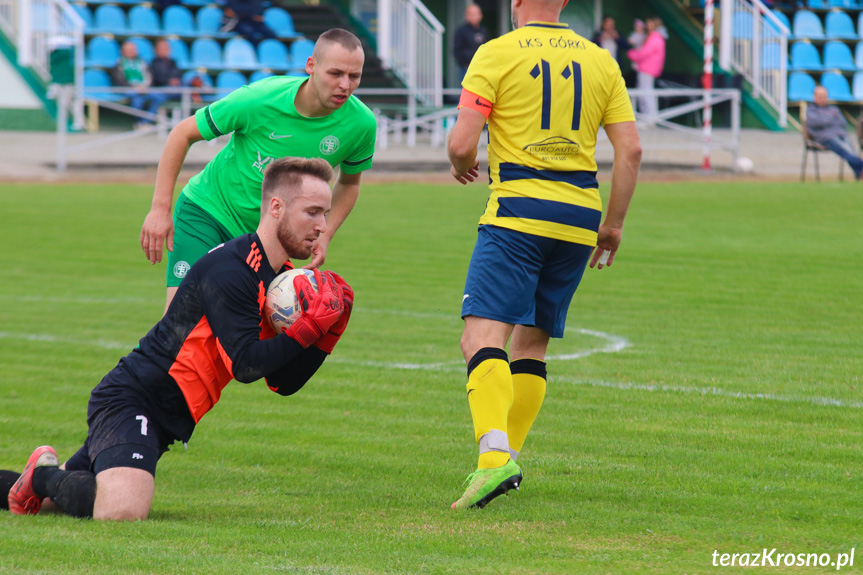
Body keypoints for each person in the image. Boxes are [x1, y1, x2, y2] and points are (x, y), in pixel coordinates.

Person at [2, 157, 354, 521]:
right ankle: (42, 475)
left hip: (167, 414)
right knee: (120, 509)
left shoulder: (281, 277)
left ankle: (36, 483)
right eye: (312, 212)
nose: (322, 226)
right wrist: (307, 329)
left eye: (325, 213)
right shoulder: (233, 270)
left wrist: (328, 335)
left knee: (53, 503)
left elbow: (281, 381)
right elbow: (246, 364)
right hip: (135, 398)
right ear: (277, 207)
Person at [446, 0, 642, 510]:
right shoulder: (601, 59)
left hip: (519, 210)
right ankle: (506, 457)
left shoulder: (496, 52)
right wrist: (613, 226)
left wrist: (462, 162)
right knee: (531, 345)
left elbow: (461, 141)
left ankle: (493, 462)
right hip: (580, 217)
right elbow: (632, 150)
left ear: (515, 5)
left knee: (479, 337)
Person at [140, 28, 376, 313]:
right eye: (335, 73)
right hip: (207, 214)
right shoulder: (260, 99)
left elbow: (350, 184)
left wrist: (324, 235)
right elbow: (182, 133)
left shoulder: (361, 124)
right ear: (311, 66)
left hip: (268, 240)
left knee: (250, 340)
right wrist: (159, 208)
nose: (345, 85)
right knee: (180, 325)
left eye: (354, 77)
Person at [806, 85, 863, 179]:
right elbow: (815, 123)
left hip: (840, 135)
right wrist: (830, 119)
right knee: (843, 147)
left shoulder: (834, 109)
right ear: (814, 97)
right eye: (820, 97)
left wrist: (825, 120)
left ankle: (860, 172)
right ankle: (860, 166)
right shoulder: (811, 110)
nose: (822, 99)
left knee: (847, 147)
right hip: (823, 138)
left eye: (824, 96)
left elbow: (842, 122)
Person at [626, 17, 666, 124]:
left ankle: (649, 119)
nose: (647, 26)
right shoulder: (654, 37)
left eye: (649, 24)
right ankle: (647, 118)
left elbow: (643, 53)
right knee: (644, 93)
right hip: (647, 68)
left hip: (647, 69)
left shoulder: (655, 38)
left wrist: (630, 53)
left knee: (645, 93)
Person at [110, 41, 158, 129]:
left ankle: (144, 122)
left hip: (145, 89)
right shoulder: (119, 64)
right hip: (129, 90)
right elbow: (119, 81)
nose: (130, 52)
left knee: (158, 97)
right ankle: (142, 123)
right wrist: (135, 88)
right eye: (128, 50)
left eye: (132, 50)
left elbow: (150, 77)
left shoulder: (143, 63)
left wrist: (144, 87)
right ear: (122, 51)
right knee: (137, 100)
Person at [453, 4, 490, 81]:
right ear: (466, 16)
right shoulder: (461, 31)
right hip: (466, 70)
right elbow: (457, 51)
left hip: (482, 69)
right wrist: (466, 61)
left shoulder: (484, 31)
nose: (474, 16)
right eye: (471, 14)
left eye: (476, 14)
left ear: (480, 15)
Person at [149, 39, 182, 104]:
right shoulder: (153, 63)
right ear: (156, 50)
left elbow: (179, 74)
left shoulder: (173, 62)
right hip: (161, 90)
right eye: (162, 48)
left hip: (175, 89)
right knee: (158, 98)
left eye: (166, 48)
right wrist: (169, 81)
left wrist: (176, 80)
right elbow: (155, 79)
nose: (164, 50)